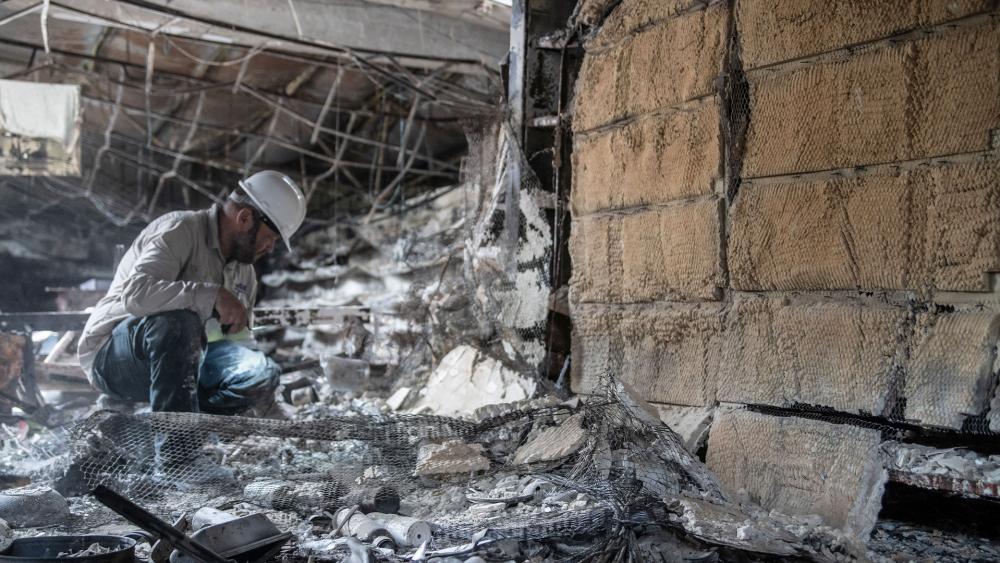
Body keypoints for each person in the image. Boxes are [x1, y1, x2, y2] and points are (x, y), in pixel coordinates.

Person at [77, 170, 307, 416]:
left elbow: (237, 340)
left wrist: (264, 395)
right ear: (244, 218)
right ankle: (178, 448)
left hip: (187, 368)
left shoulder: (244, 273)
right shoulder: (180, 230)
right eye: (270, 237)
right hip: (115, 358)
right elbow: (136, 294)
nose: (271, 248)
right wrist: (212, 295)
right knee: (179, 324)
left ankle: (181, 418)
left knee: (261, 370)